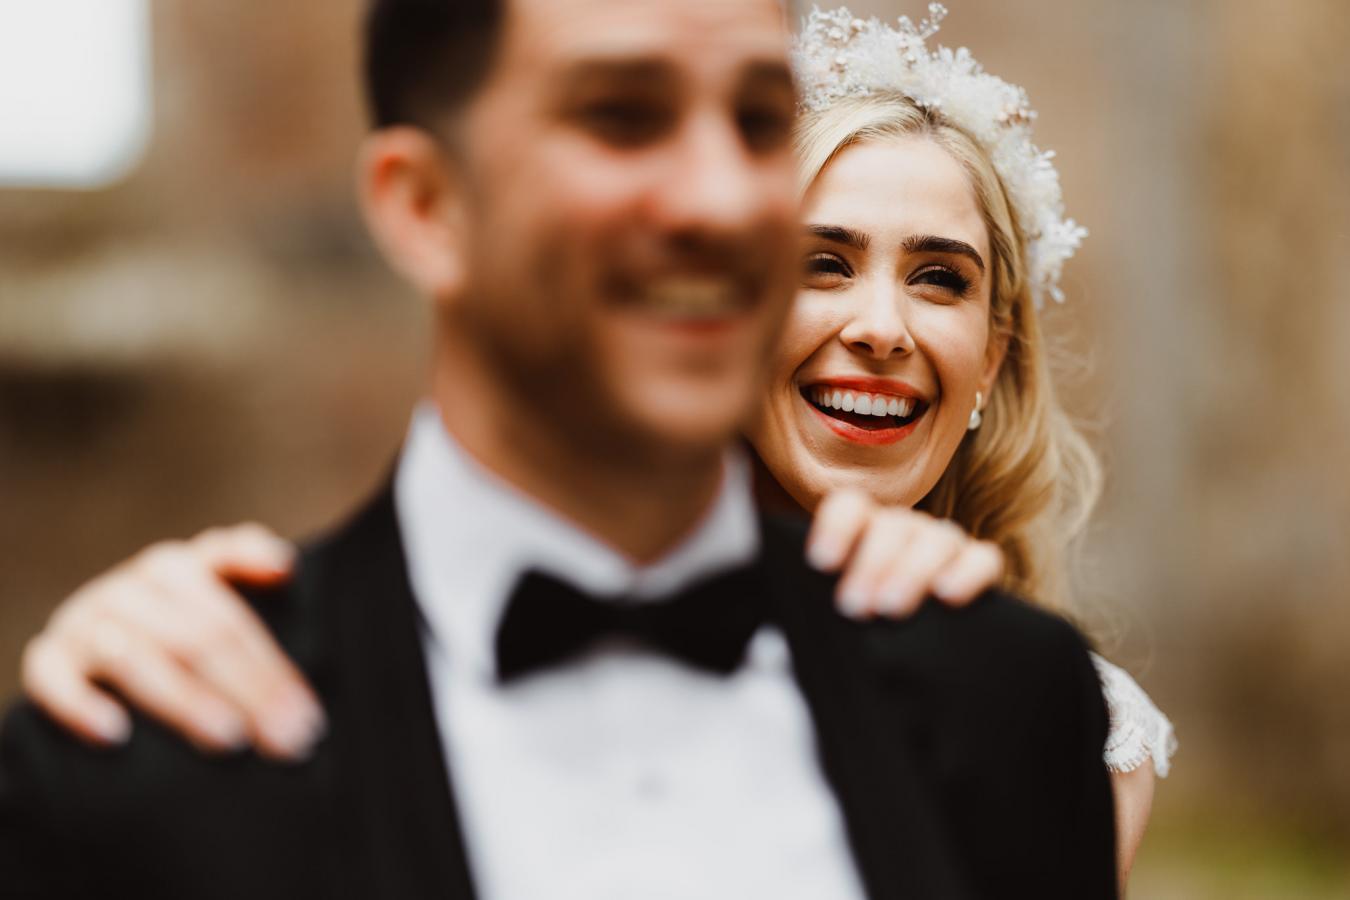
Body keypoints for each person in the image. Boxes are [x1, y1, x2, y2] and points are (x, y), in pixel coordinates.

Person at [0, 1, 1119, 897]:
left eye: (758, 124)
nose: (722, 200)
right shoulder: (149, 754)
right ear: (425, 205)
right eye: (622, 117)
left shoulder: (1005, 702)